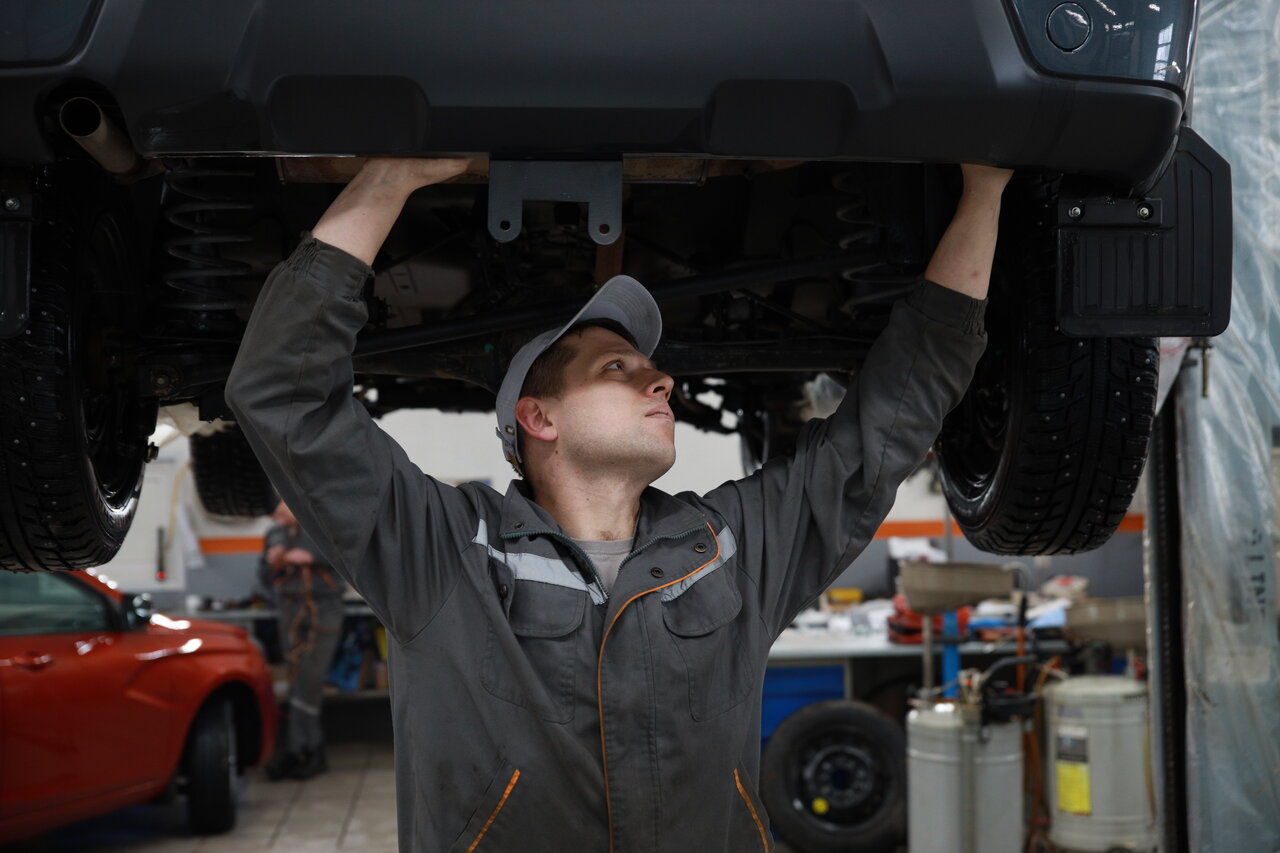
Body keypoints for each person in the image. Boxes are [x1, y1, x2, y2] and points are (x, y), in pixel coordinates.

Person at [226, 157, 1012, 851]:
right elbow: (284, 393)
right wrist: (390, 176)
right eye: (616, 367)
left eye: (651, 367)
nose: (661, 378)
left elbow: (888, 422)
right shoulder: (447, 553)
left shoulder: (728, 548)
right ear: (539, 418)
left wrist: (985, 189)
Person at [257, 499, 345, 780]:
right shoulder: (276, 534)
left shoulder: (322, 528)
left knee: (308, 681)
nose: (277, 514)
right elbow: (263, 577)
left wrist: (308, 556)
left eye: (282, 506)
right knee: (296, 682)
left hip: (322, 616)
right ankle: (301, 750)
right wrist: (274, 561)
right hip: (291, 615)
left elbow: (341, 558)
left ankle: (308, 749)